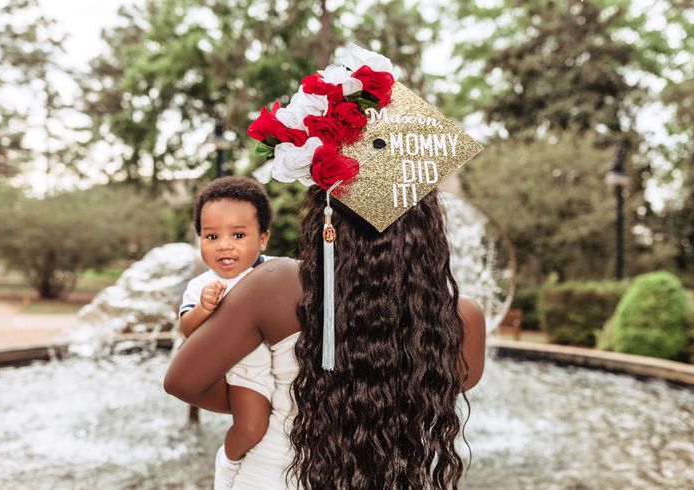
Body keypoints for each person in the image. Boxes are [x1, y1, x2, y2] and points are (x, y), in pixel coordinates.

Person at [165, 44, 486, 489]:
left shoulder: (274, 285)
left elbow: (183, 381)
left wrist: (267, 405)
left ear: (324, 214)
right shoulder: (462, 318)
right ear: (425, 222)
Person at [178, 176, 275, 490]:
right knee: (251, 428)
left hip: (287, 364)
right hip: (245, 370)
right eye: (211, 236)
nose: (224, 245)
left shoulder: (274, 271)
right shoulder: (201, 286)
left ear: (262, 239)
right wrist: (204, 309)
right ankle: (230, 462)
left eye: (237, 234)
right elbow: (186, 329)